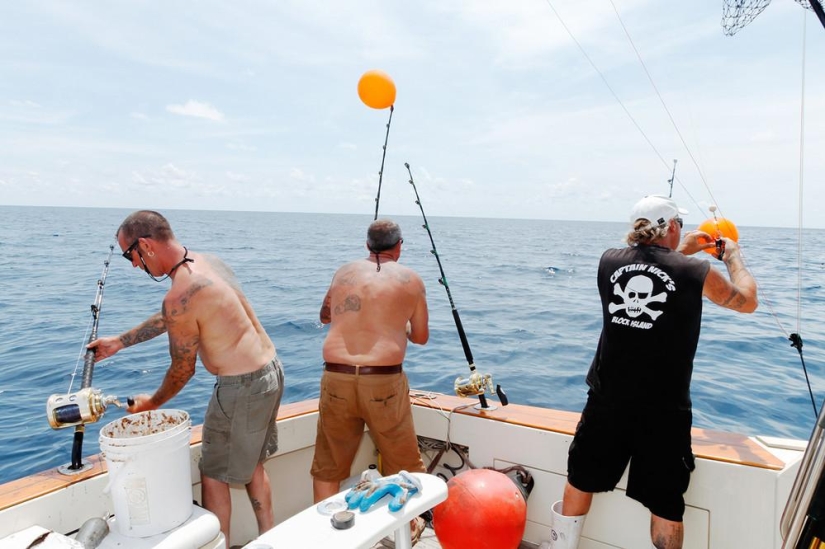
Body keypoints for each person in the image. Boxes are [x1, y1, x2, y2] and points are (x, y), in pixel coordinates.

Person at [548, 195, 758, 549]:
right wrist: (734, 257)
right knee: (665, 504)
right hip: (664, 410)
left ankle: (561, 545)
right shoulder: (695, 272)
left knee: (580, 478)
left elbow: (657, 269)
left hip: (606, 399)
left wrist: (681, 250)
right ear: (673, 227)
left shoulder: (608, 262)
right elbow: (746, 301)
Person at [88, 210, 284, 547]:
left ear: (146, 245)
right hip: (270, 374)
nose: (134, 265)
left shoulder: (180, 295)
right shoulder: (207, 264)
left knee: (213, 474)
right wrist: (121, 341)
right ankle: (271, 539)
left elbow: (182, 369)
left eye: (130, 255)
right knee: (252, 464)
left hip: (240, 389)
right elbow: (178, 313)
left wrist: (151, 402)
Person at [310, 218, 429, 544]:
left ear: (367, 246)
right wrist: (395, 326)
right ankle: (411, 526)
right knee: (405, 462)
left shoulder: (343, 273)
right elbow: (420, 336)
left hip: (336, 377)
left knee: (328, 464)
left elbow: (324, 315)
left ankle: (324, 534)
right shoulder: (412, 280)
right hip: (383, 383)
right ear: (399, 246)